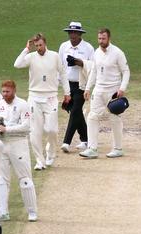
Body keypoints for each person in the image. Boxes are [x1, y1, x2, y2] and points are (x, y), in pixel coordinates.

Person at [14, 33, 71, 170]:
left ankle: (50, 154)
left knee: (52, 130)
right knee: (35, 131)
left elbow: (63, 74)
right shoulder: (31, 57)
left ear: (45, 43)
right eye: (36, 45)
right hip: (34, 97)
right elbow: (17, 64)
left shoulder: (54, 56)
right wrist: (26, 49)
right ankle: (40, 161)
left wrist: (67, 93)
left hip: (51, 97)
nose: (39, 48)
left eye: (40, 45)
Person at [0, 80, 38, 222]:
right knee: (1, 180)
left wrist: (7, 129)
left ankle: (32, 212)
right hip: (2, 144)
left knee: (25, 180)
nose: (5, 94)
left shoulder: (23, 105)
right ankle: (3, 211)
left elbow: (26, 126)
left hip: (18, 143)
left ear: (14, 90)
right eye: (3, 91)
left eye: (8, 91)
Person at [81, 28, 130, 159]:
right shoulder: (96, 53)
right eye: (99, 38)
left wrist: (122, 88)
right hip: (98, 90)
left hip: (113, 91)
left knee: (114, 118)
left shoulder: (117, 53)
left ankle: (118, 148)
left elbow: (126, 71)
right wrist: (87, 88)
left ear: (109, 38)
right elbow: (94, 72)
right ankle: (92, 149)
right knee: (92, 117)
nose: (101, 41)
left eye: (103, 38)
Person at [58, 21, 95, 153]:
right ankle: (86, 139)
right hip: (68, 84)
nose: (72, 35)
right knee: (76, 112)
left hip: (82, 84)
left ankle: (66, 142)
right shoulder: (63, 46)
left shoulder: (88, 48)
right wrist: (61, 84)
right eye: (70, 32)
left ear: (80, 34)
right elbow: (60, 66)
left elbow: (92, 67)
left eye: (75, 32)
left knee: (75, 111)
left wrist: (78, 63)